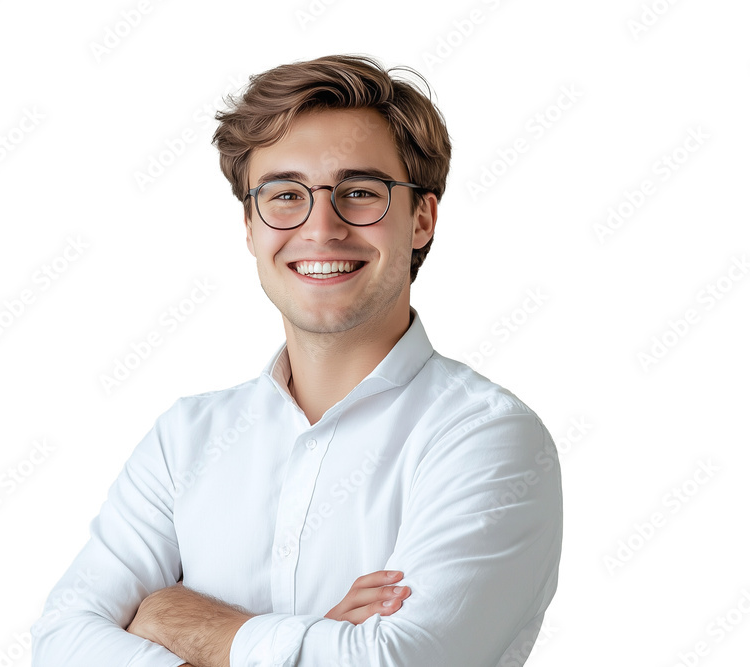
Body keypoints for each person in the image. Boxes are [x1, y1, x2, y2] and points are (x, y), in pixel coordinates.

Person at [31, 53, 562, 666]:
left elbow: (398, 663)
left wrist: (167, 616)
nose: (320, 227)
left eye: (360, 192)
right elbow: (61, 643)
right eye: (285, 195)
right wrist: (312, 638)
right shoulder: (183, 440)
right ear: (251, 228)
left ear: (422, 219)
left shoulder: (487, 438)